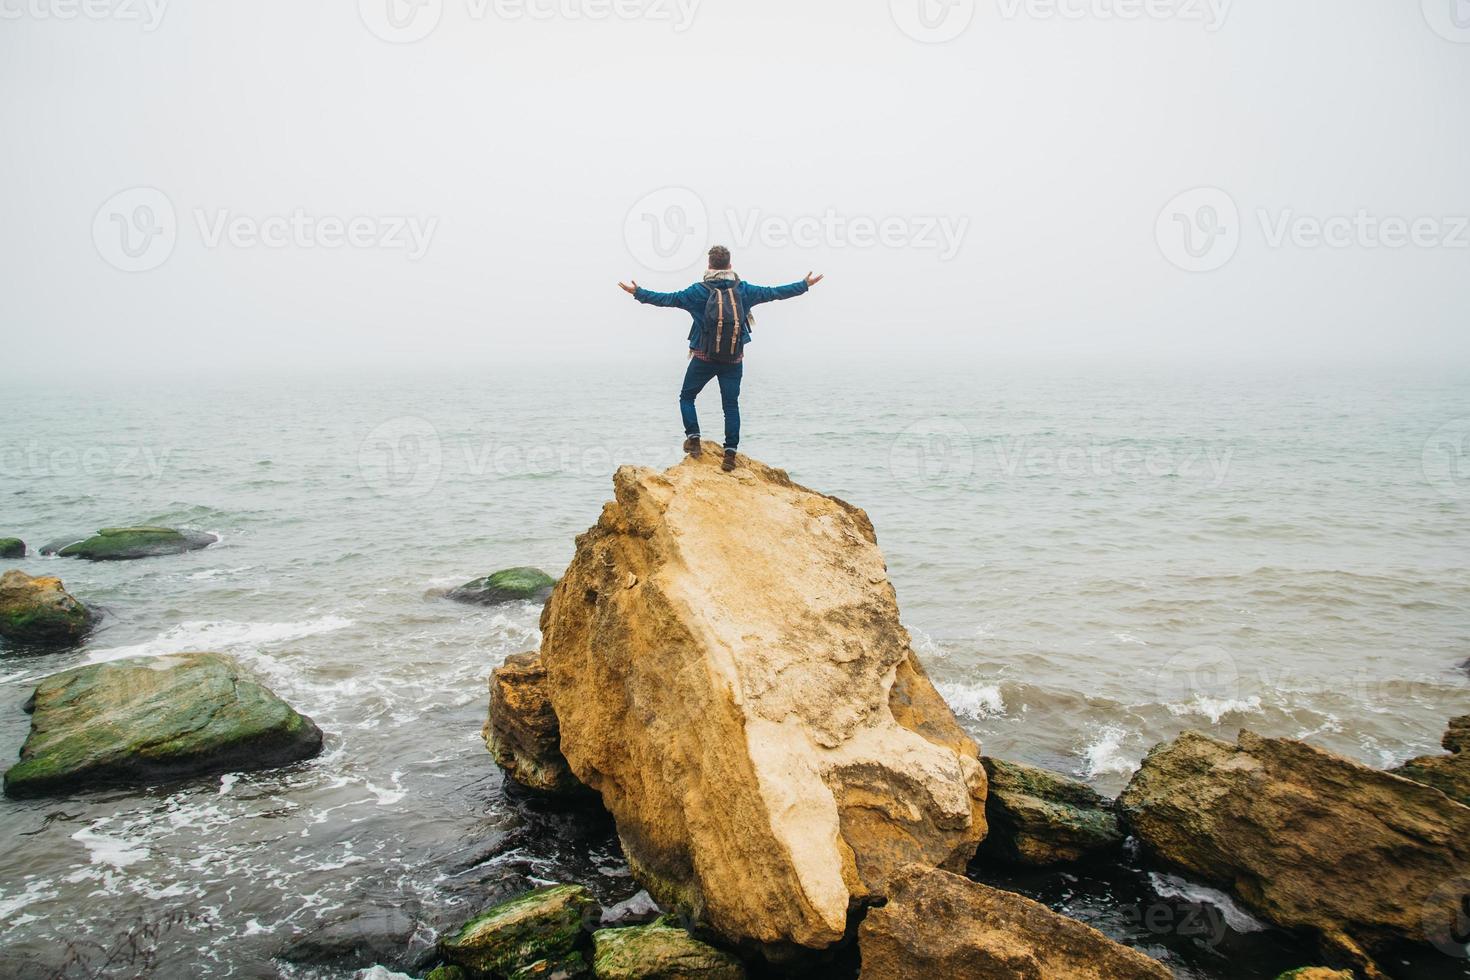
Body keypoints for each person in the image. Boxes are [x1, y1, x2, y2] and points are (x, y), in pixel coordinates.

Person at [619, 246, 822, 472]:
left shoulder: (697, 292)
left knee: (687, 397)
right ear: (730, 266)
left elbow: (667, 299)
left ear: (709, 266)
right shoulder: (743, 290)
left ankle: (694, 439)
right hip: (733, 360)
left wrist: (638, 292)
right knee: (730, 406)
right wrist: (803, 285)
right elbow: (773, 293)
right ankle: (730, 455)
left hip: (703, 357)